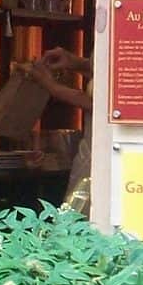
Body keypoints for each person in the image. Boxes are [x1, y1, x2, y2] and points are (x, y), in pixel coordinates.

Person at [27, 46, 93, 199]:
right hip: (91, 144)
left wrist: (51, 86)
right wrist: (76, 63)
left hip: (105, 145)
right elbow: (107, 70)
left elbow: (105, 103)